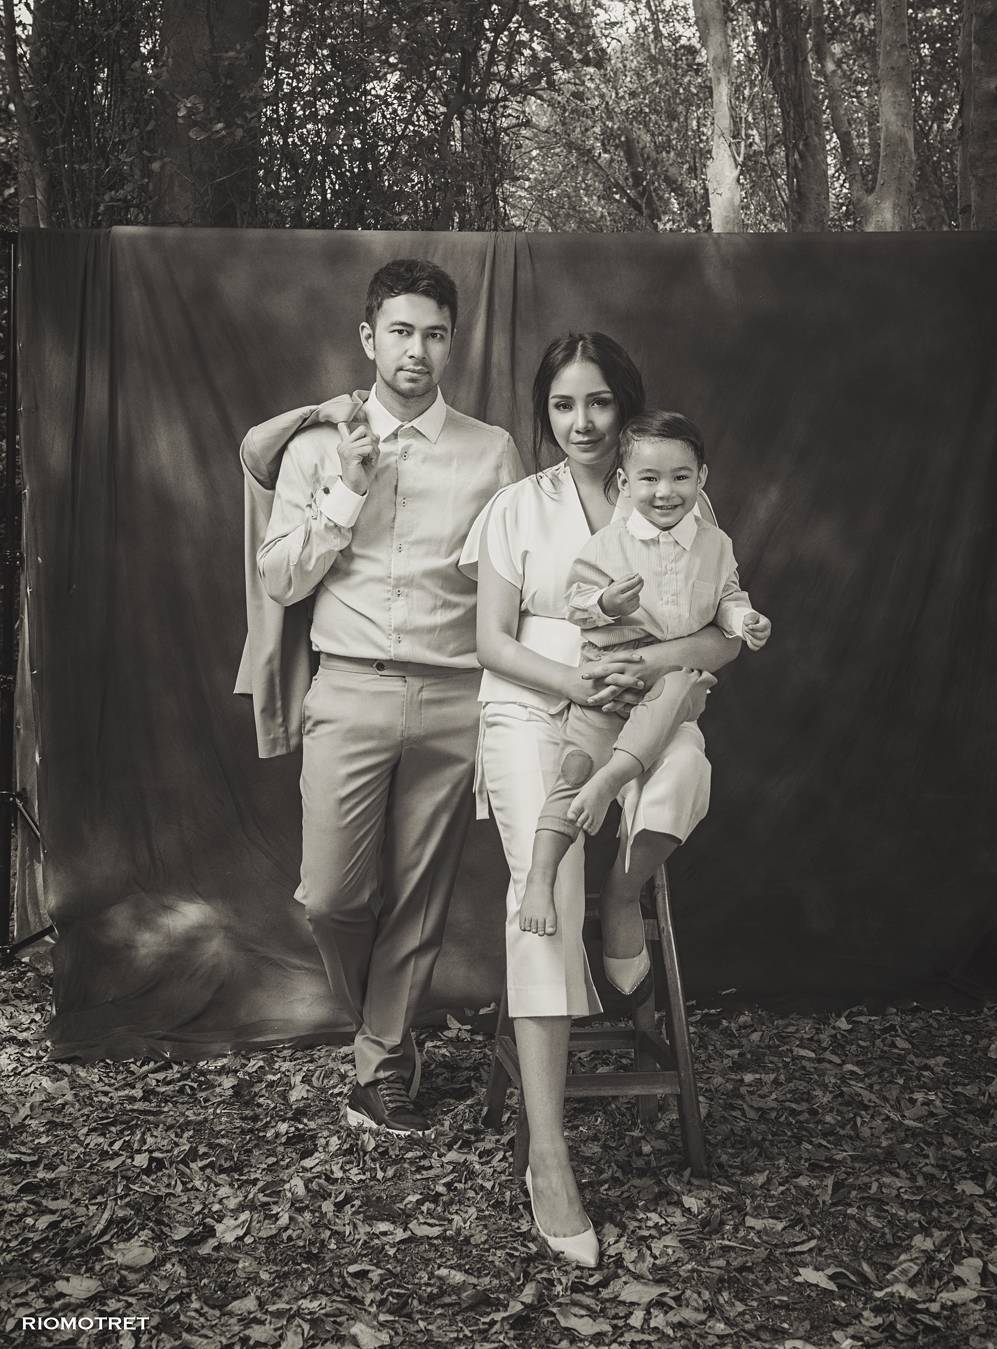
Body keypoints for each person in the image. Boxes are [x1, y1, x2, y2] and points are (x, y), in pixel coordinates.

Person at [461, 335, 745, 1267]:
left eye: (597, 403)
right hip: (533, 699)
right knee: (543, 888)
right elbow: (492, 642)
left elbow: (721, 636)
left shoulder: (675, 497)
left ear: (626, 409)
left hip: (648, 699)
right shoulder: (516, 505)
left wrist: (648, 665)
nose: (580, 422)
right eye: (561, 405)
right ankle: (549, 1155)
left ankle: (625, 896)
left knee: (685, 771)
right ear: (544, 412)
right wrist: (579, 683)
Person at [239, 257, 522, 1135]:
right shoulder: (317, 448)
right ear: (369, 338)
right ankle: (384, 1028)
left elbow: (522, 581)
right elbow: (281, 580)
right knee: (330, 896)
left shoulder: (492, 451)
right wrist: (346, 492)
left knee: (418, 902)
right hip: (349, 689)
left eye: (434, 334)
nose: (417, 350)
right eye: (400, 331)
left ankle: (382, 1065)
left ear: (452, 343)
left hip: (455, 696)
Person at [519, 410, 772, 942]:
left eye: (681, 477)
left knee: (684, 682)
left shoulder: (715, 544)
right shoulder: (607, 545)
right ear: (625, 482)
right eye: (649, 478)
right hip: (608, 687)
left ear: (701, 478)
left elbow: (727, 598)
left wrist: (743, 620)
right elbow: (576, 603)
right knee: (574, 773)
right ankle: (539, 879)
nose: (665, 491)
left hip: (668, 689)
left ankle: (613, 784)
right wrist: (606, 603)